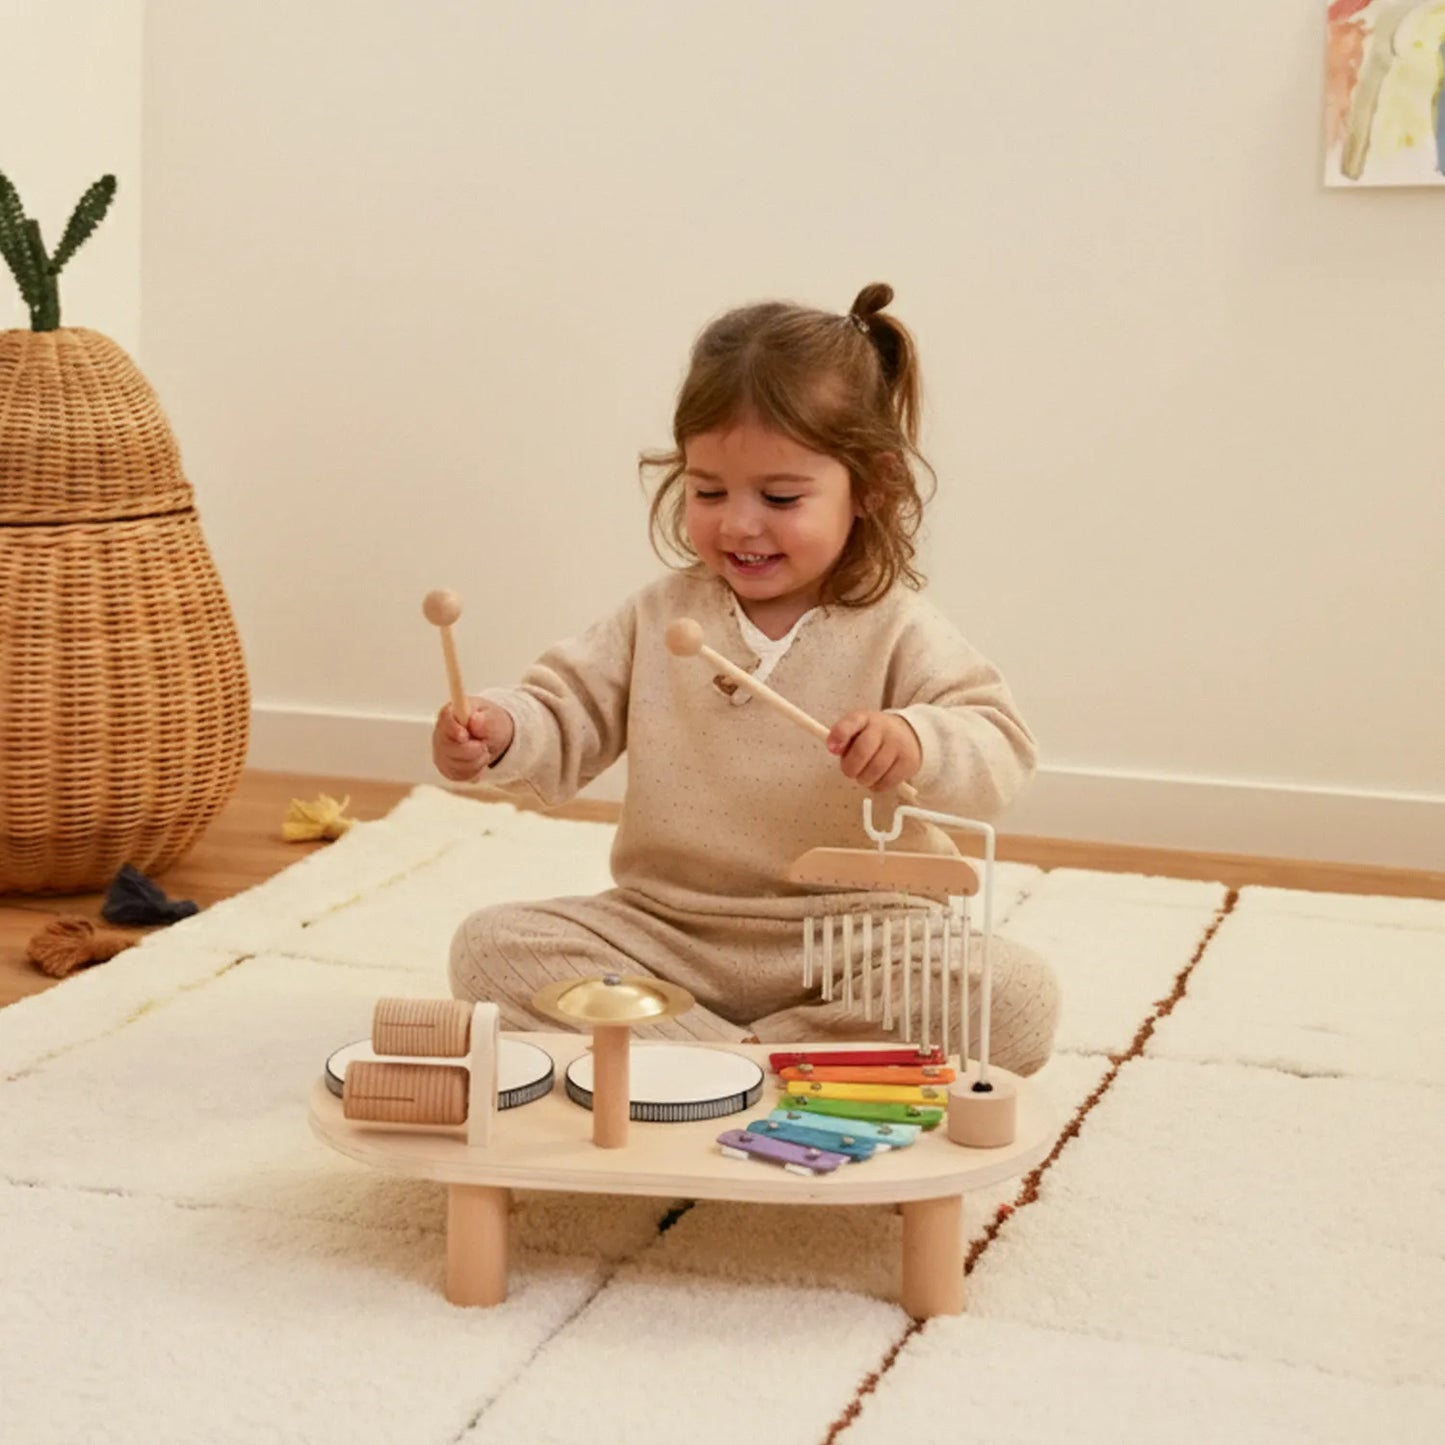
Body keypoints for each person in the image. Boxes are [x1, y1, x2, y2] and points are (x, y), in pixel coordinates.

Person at [434, 283, 1058, 1075]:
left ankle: (714, 1063)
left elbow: (999, 747)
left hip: (861, 936)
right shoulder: (658, 614)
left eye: (780, 496)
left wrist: (915, 740)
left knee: (1013, 997)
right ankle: (747, 1064)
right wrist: (500, 728)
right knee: (490, 949)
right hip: (665, 932)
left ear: (869, 487)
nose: (737, 522)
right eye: (707, 491)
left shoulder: (897, 626)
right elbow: (568, 710)